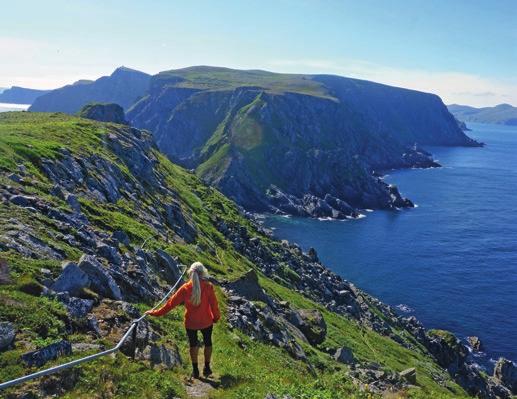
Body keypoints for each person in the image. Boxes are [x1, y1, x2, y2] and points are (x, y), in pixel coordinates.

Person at [146, 262, 220, 378]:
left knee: (193, 344)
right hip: (206, 321)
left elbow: (170, 304)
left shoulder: (185, 288)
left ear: (190, 273)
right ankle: (207, 367)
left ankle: (195, 370)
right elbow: (214, 306)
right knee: (208, 342)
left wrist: (155, 313)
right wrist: (216, 318)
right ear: (203, 273)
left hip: (191, 322)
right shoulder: (208, 286)